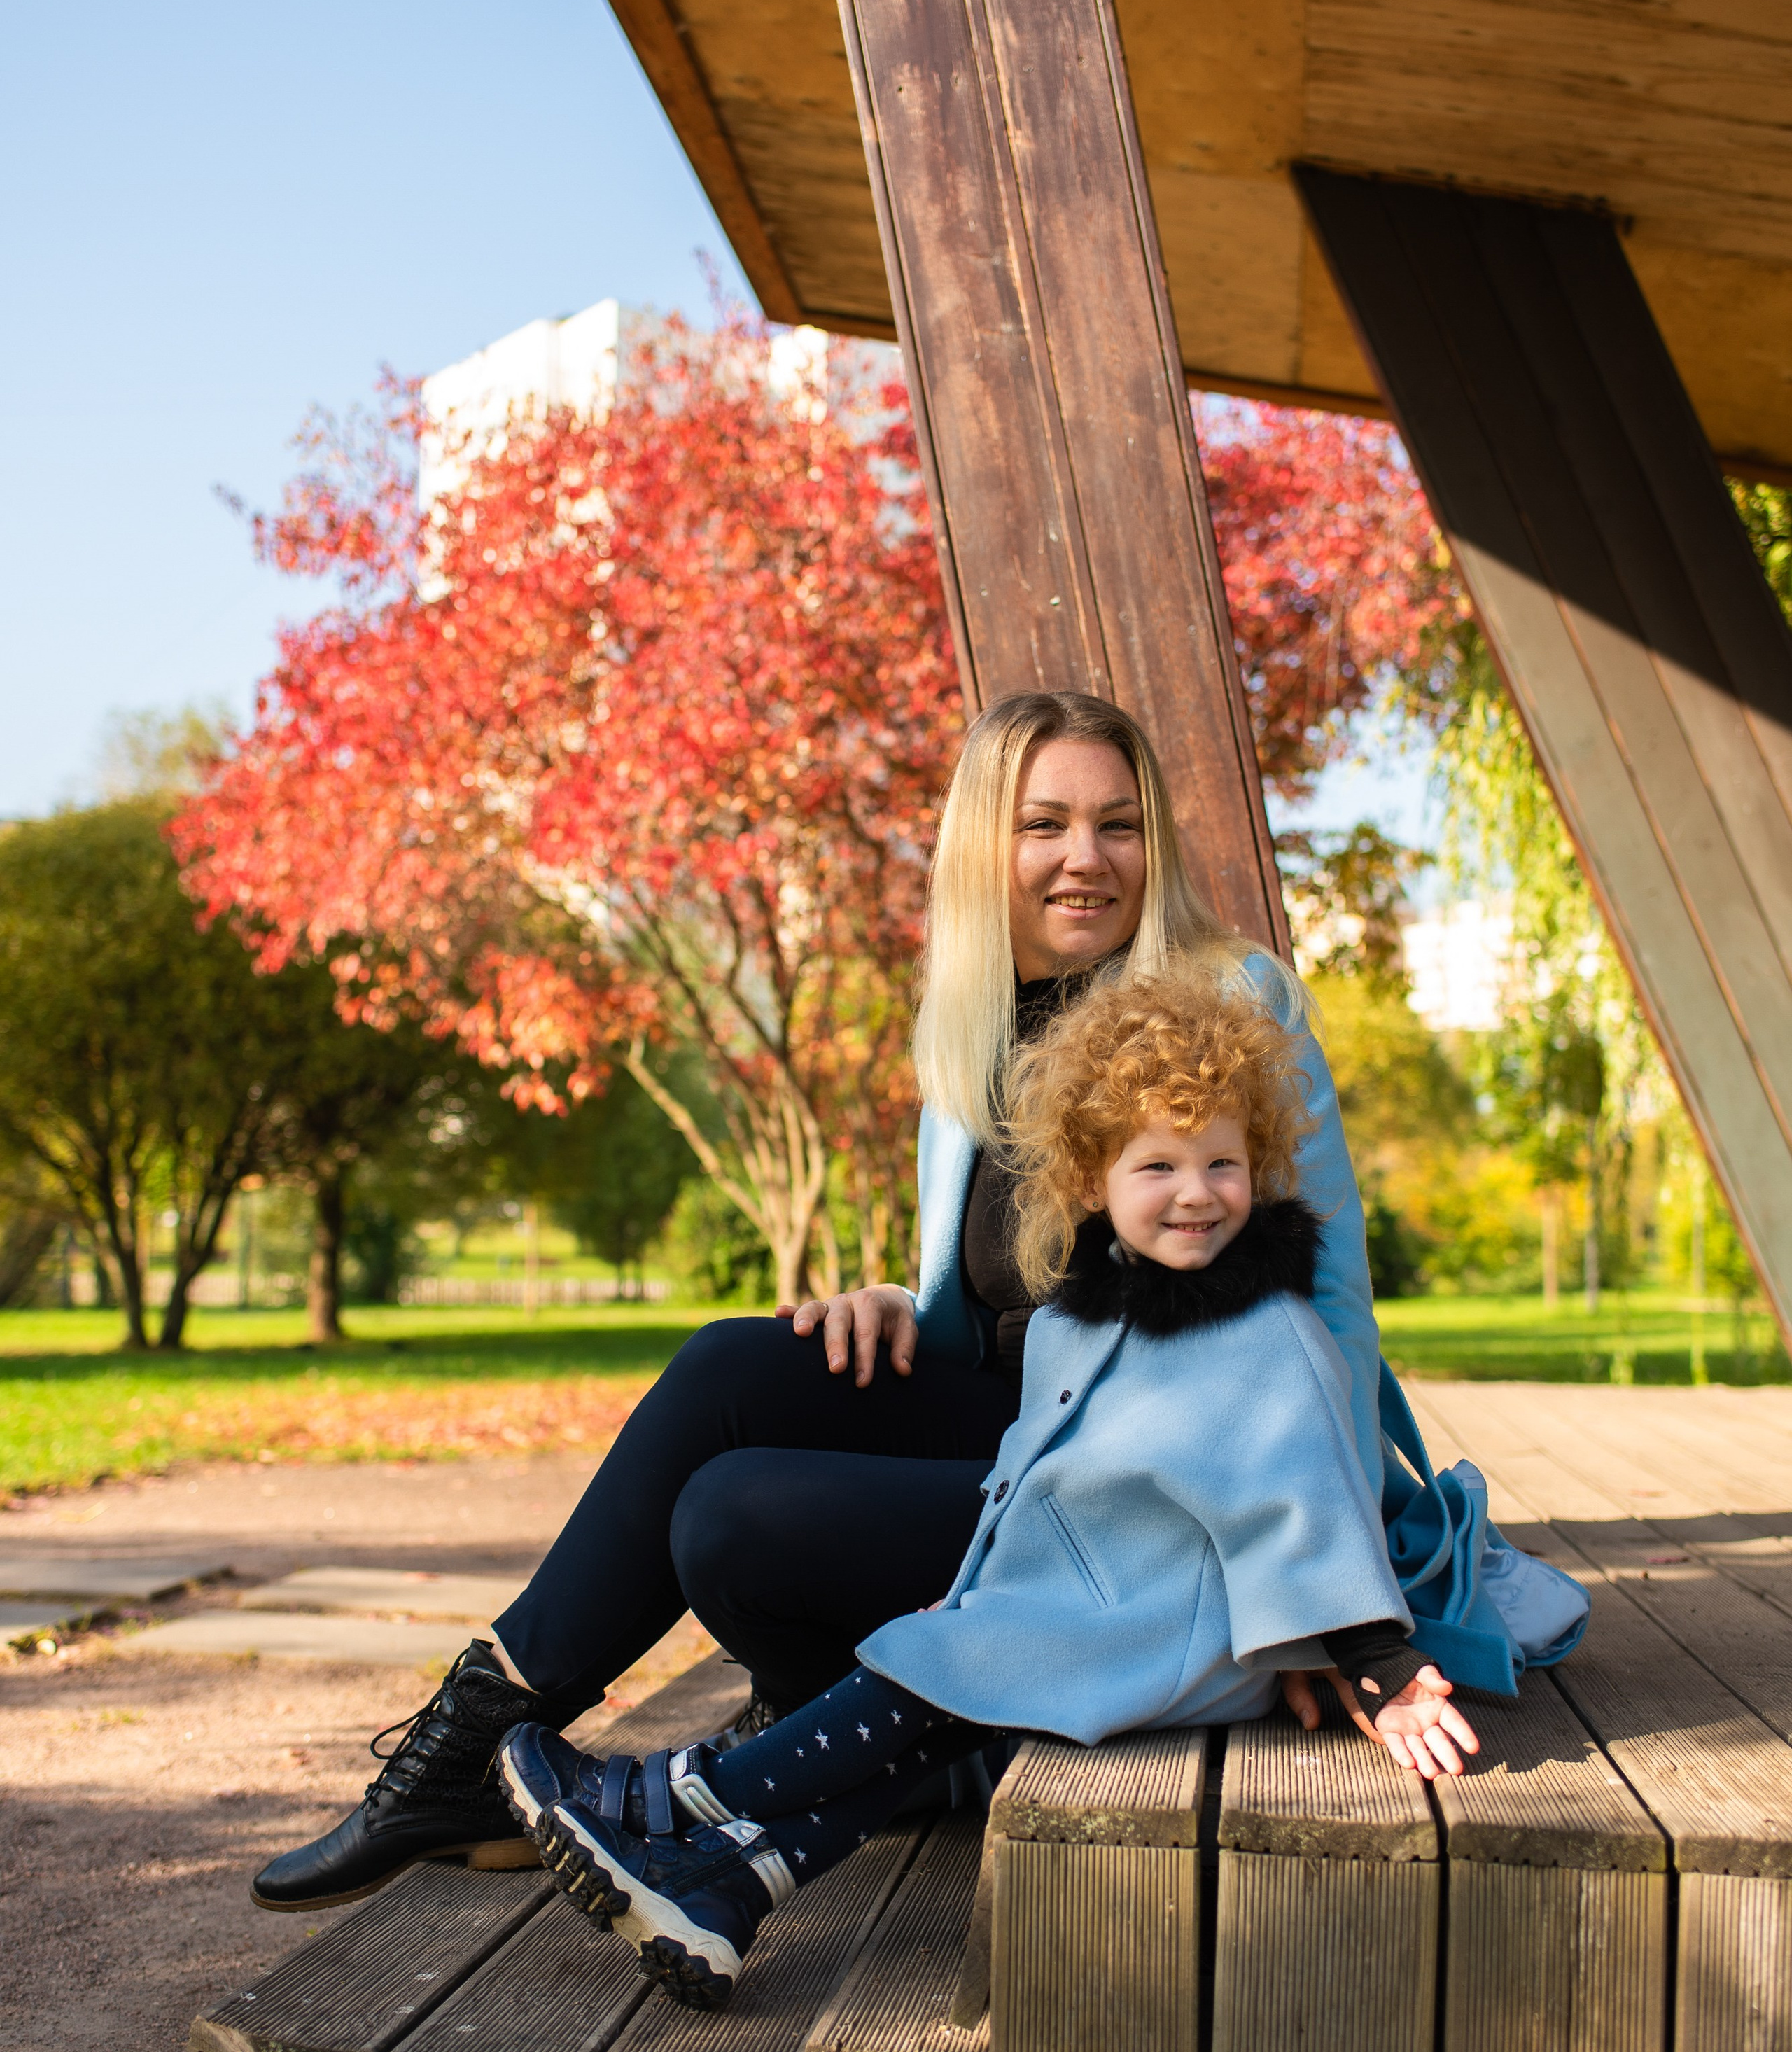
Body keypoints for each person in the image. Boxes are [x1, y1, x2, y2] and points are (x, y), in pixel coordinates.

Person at [251, 688, 1566, 1915]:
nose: (1084, 858)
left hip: (1159, 1485)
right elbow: (1002, 1278)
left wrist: (1335, 1595)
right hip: (1021, 1415)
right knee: (726, 1367)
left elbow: (1330, 1314)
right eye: (1042, 824)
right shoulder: (973, 1023)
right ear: (986, 848)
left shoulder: (1232, 1001)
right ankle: (470, 1745)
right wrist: (892, 1294)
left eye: (1117, 824)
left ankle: (862, 1740)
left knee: (730, 1521)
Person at [494, 968, 1480, 2007]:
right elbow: (1028, 1470)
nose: (1197, 1193)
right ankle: (726, 1890)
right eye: (1160, 1165)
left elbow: (1311, 1487)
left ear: (1262, 1165)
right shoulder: (1082, 1315)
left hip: (1180, 1625)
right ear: (1093, 1181)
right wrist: (970, 1580)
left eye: (1223, 1163)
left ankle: (669, 1799)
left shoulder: (1269, 1330)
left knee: (934, 1669)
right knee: (946, 1664)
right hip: (1090, 1593)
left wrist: (1379, 1657)